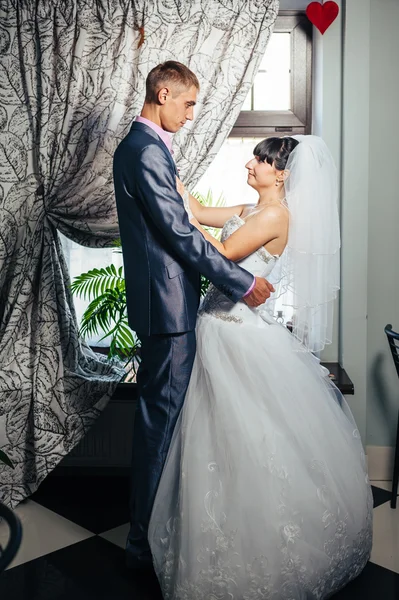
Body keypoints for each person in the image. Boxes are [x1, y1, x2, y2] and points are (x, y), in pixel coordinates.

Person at [148, 136, 373, 599]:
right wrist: (169, 176)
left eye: (261, 160)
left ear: (283, 173)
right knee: (217, 443)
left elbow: (221, 256)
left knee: (248, 441)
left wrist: (181, 223)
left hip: (236, 336)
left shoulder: (274, 216)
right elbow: (198, 211)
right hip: (219, 331)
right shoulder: (251, 208)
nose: (251, 163)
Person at [112, 61, 273, 570]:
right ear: (163, 94)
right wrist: (243, 284)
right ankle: (143, 545)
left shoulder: (145, 148)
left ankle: (155, 531)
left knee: (166, 421)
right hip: (169, 309)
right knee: (161, 424)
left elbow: (181, 224)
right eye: (187, 104)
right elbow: (180, 237)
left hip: (166, 304)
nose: (191, 114)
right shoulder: (143, 150)